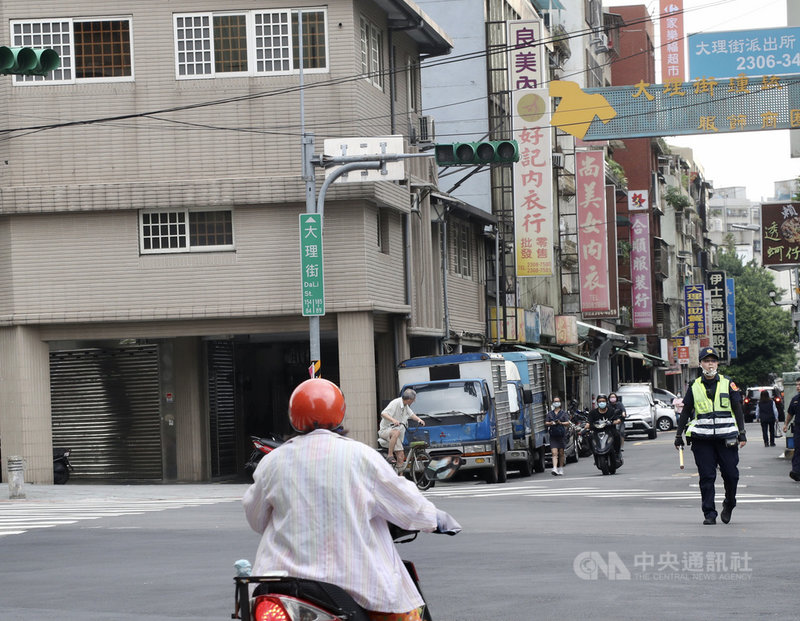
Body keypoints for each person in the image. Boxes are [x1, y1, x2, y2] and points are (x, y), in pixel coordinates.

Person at [242, 378, 459, 621]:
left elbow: (256, 518)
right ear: (340, 413)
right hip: (354, 584)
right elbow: (408, 504)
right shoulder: (362, 457)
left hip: (280, 584)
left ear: (293, 416)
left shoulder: (273, 461)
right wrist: (436, 519)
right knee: (406, 613)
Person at [674, 347, 747, 525]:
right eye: (706, 361)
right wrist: (678, 435)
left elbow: (737, 408)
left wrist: (742, 433)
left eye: (713, 361)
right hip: (702, 439)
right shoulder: (694, 386)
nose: (710, 364)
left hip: (726, 438)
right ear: (700, 364)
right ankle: (709, 513)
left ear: (717, 364)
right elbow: (686, 411)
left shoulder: (728, 383)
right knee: (707, 477)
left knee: (731, 475)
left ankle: (729, 503)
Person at [378, 388, 425, 466]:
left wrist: (419, 420)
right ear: (410, 399)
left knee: (401, 456)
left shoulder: (405, 406)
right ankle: (390, 455)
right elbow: (383, 413)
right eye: (414, 400)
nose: (414, 401)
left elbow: (411, 414)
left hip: (396, 433)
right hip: (385, 430)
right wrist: (393, 420)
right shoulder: (395, 403)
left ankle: (400, 476)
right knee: (396, 432)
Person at [585, 393, 623, 462]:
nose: (601, 403)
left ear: (606, 402)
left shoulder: (611, 411)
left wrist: (615, 421)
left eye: (603, 401)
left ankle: (617, 454)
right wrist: (587, 425)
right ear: (597, 402)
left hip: (609, 430)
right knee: (590, 437)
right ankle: (594, 453)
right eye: (600, 401)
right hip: (597, 431)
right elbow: (588, 422)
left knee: (617, 435)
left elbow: (617, 419)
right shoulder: (593, 412)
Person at [546, 396, 570, 476]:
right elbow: (546, 423)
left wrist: (560, 423)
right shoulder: (550, 414)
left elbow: (567, 423)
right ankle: (554, 468)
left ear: (560, 403)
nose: (556, 403)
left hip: (561, 435)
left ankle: (561, 468)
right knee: (554, 452)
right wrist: (551, 423)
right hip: (553, 435)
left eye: (558, 401)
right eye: (555, 401)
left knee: (561, 452)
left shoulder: (564, 413)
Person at [783, 378, 800, 481]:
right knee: (798, 449)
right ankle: (796, 471)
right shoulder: (795, 399)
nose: (798, 387)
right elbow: (790, 413)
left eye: (799, 385)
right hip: (798, 428)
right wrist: (786, 424)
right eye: (797, 385)